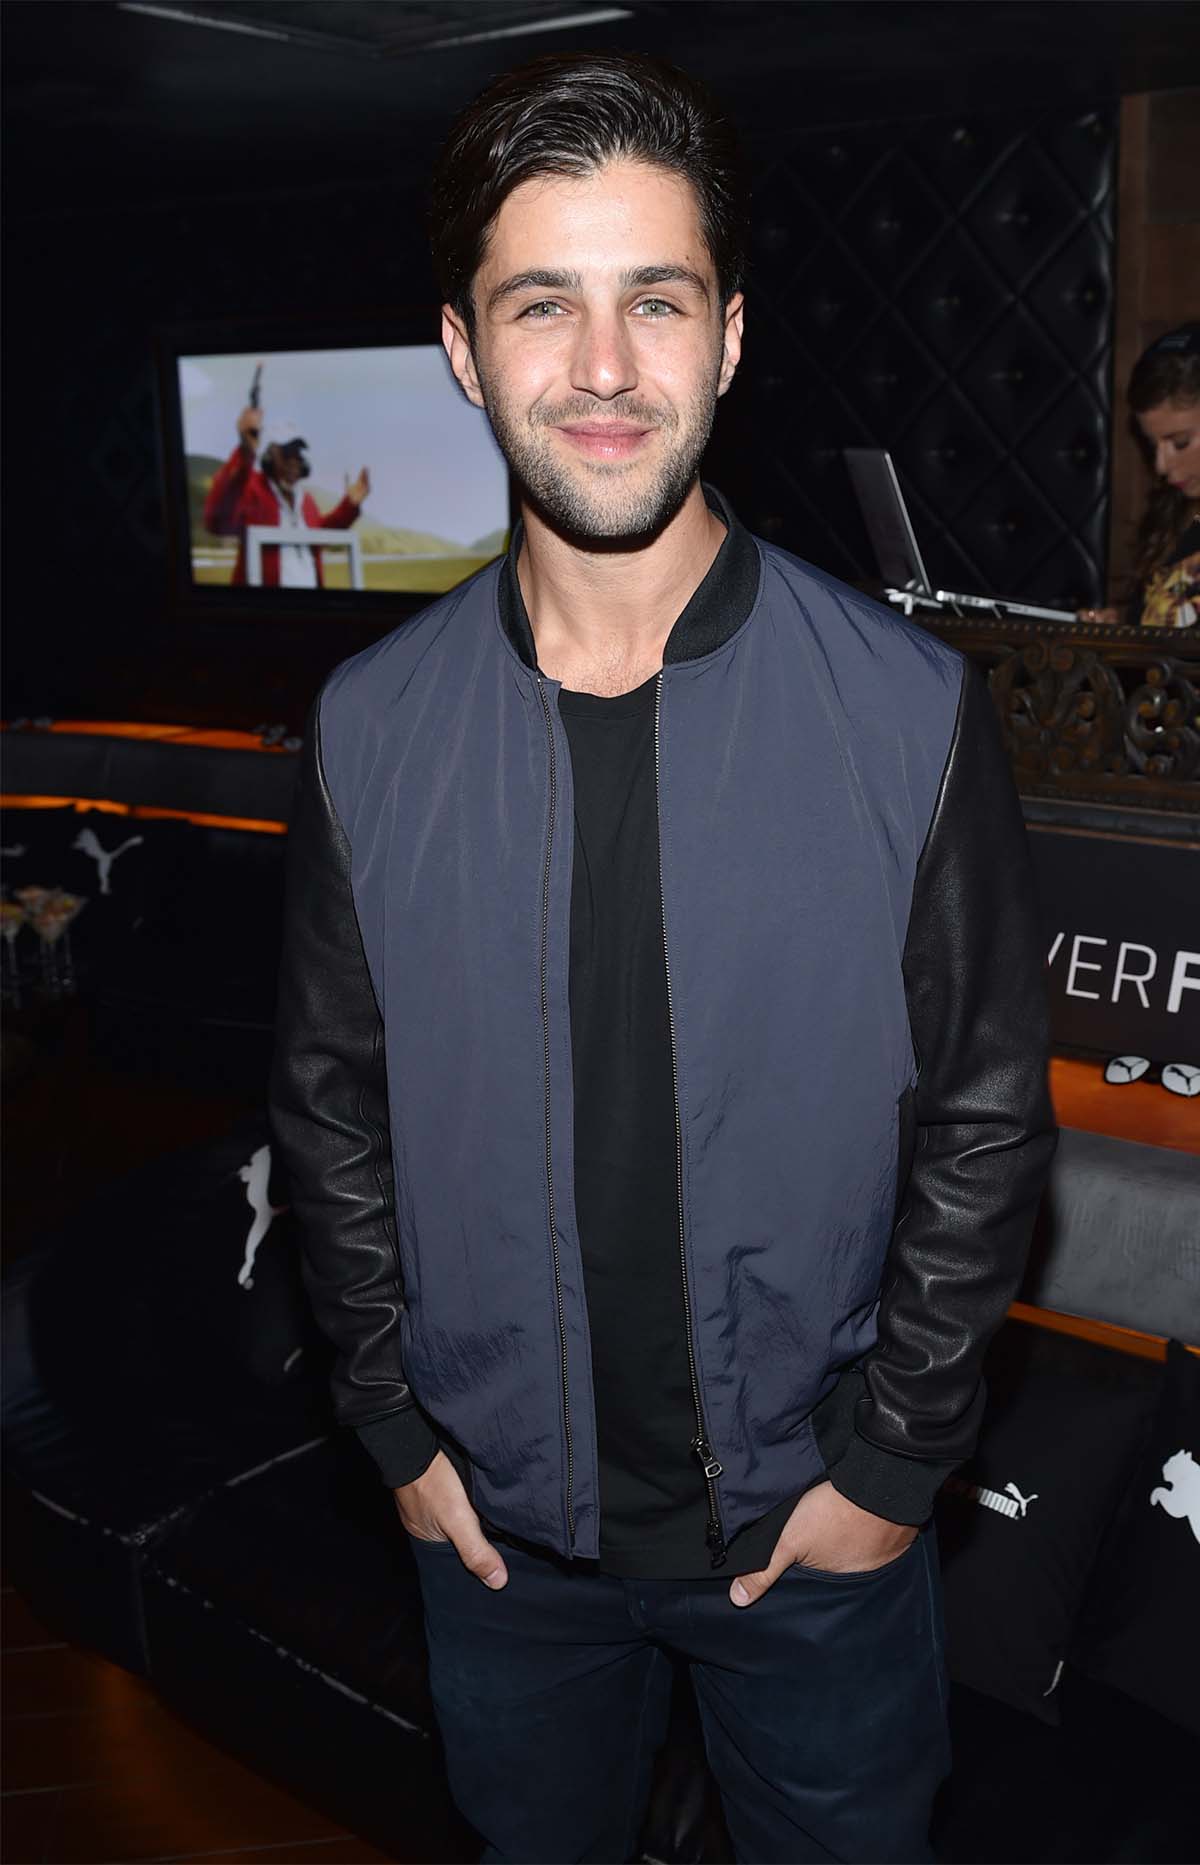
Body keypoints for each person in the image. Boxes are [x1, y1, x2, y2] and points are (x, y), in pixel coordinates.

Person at [269, 51, 1058, 1865]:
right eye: (543, 304)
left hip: (816, 1548)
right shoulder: (368, 727)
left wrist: (890, 1469)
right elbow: (329, 1106)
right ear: (464, 352)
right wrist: (389, 1427)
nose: (606, 366)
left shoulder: (911, 711)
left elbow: (986, 1118)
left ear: (731, 337)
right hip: (501, 1553)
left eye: (658, 300)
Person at [1078, 321, 1200, 629]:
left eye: (1180, 442)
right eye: (1152, 444)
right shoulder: (1178, 514)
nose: (1161, 465)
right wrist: (1124, 628)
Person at [202, 402, 370, 587]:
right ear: (269, 455)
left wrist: (350, 506)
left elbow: (320, 535)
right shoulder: (252, 491)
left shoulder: (306, 500)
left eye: (297, 453)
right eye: (287, 452)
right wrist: (245, 453)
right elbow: (216, 521)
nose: (294, 460)